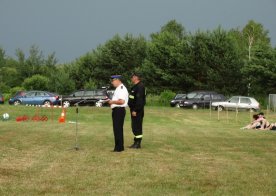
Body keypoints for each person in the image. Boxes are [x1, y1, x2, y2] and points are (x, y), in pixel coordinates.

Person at [108, 75, 129, 152]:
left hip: (119, 110)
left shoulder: (121, 89)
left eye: (113, 80)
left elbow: (121, 101)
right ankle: (119, 147)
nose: (112, 82)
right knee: (117, 129)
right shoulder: (118, 88)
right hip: (117, 110)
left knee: (118, 129)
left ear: (118, 80)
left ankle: (119, 148)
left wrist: (112, 102)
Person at [128, 73, 146, 149]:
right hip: (133, 110)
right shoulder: (135, 87)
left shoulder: (140, 87)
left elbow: (140, 101)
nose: (131, 79)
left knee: (137, 126)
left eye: (132, 77)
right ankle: (135, 142)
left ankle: (138, 143)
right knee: (134, 126)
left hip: (137, 111)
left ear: (136, 77)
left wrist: (135, 110)